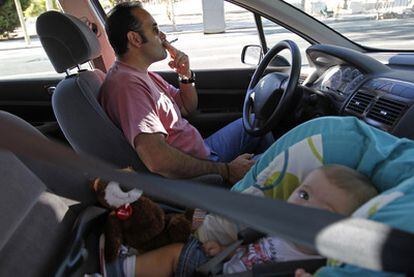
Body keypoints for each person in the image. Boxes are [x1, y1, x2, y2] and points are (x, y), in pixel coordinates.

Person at [99, 1, 273, 184]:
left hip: (204, 150)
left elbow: (187, 107)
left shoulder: (142, 75)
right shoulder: (128, 87)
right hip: (201, 174)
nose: (163, 36)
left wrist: (185, 74)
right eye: (155, 30)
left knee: (257, 121)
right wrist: (227, 170)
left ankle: (258, 189)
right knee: (285, 160)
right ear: (135, 39)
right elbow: (158, 160)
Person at [110, 164, 378, 276]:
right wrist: (226, 252)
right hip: (219, 266)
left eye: (324, 213)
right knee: (177, 253)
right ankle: (117, 270)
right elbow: (250, 247)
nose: (302, 207)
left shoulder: (317, 265)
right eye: (304, 194)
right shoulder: (276, 227)